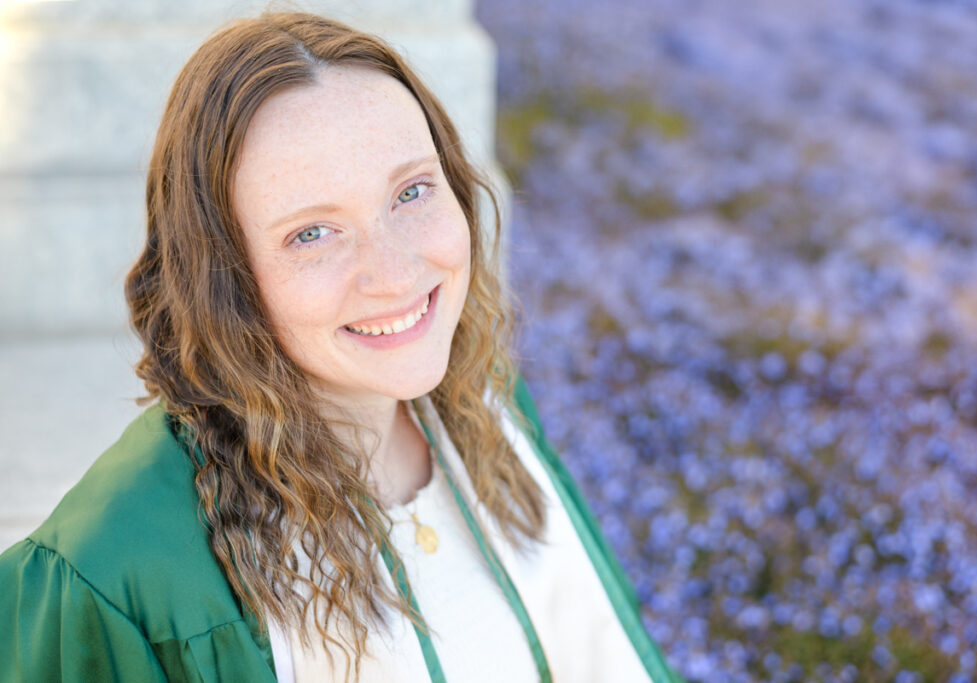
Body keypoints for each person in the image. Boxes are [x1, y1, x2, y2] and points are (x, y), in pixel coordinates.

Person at [0, 12, 679, 682]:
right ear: (223, 277)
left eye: (412, 191)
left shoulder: (490, 403)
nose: (395, 272)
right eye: (312, 234)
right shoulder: (115, 575)